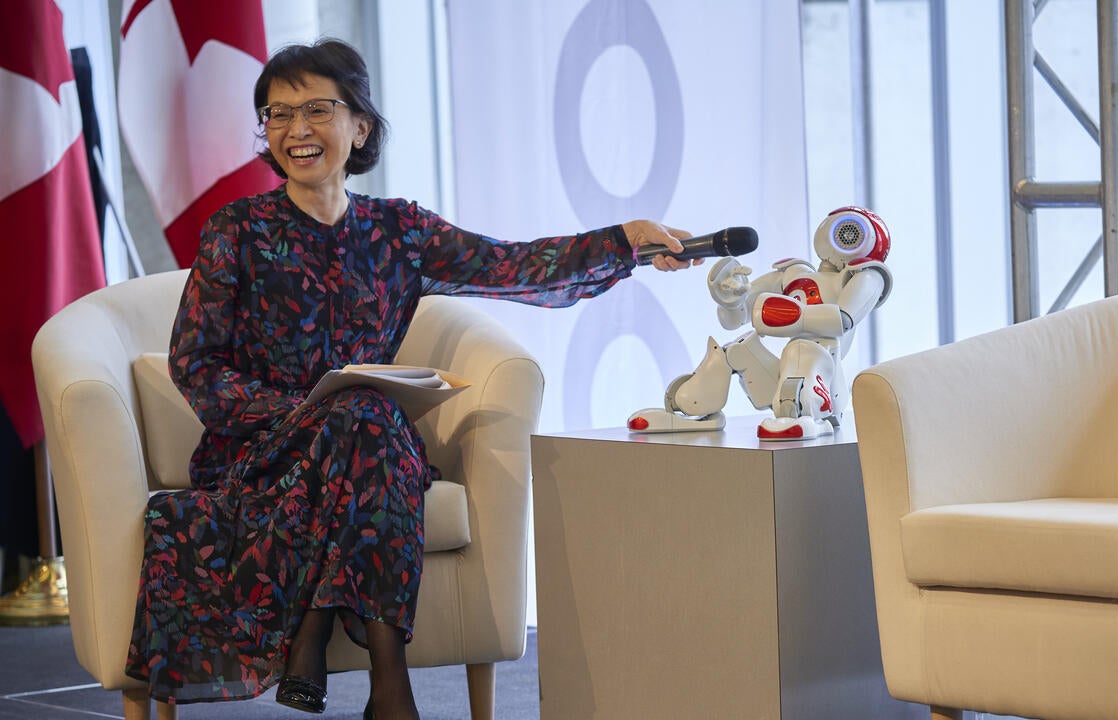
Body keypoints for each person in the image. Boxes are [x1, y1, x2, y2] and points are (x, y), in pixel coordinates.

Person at [124, 38, 697, 720]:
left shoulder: (397, 230)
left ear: (360, 126)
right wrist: (299, 411)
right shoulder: (236, 231)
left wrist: (625, 241)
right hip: (263, 451)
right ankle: (387, 684)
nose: (295, 131)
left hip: (366, 450)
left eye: (316, 110)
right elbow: (196, 365)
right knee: (364, 414)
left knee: (365, 414)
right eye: (276, 115)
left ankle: (322, 637)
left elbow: (512, 267)